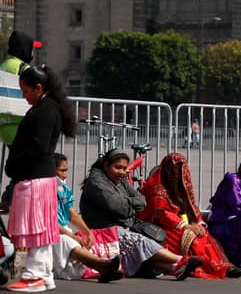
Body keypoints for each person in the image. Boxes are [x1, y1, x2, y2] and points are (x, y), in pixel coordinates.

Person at [5, 64, 90, 292]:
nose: (24, 96)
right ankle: (43, 274)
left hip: (35, 178)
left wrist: (16, 162)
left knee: (35, 228)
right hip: (38, 178)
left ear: (39, 87)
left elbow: (38, 147)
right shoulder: (48, 107)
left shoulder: (45, 110)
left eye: (25, 91)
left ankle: (35, 276)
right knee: (39, 228)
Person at [80, 147, 201, 281]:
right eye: (117, 167)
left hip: (124, 227)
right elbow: (117, 206)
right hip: (104, 231)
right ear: (106, 166)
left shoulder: (120, 181)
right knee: (138, 241)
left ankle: (175, 268)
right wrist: (130, 205)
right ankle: (181, 260)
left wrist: (126, 204)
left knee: (143, 244)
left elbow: (142, 201)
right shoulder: (96, 182)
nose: (122, 172)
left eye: (124, 168)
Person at [139, 152, 240, 278]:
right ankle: (206, 267)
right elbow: (163, 215)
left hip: (179, 225)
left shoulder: (179, 187)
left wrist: (198, 222)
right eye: (175, 170)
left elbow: (191, 206)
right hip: (160, 227)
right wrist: (186, 226)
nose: (178, 174)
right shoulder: (157, 190)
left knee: (203, 234)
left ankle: (223, 267)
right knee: (192, 237)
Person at [47, 153, 125, 283]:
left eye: (66, 170)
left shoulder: (63, 189)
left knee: (79, 240)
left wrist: (87, 233)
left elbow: (71, 213)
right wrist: (73, 236)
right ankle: (105, 265)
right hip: (50, 233)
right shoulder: (45, 190)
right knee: (64, 240)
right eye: (62, 171)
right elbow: (50, 222)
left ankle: (104, 268)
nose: (65, 175)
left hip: (63, 230)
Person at [0, 32, 40, 147]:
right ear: (24, 48)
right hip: (20, 125)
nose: (32, 53)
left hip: (4, 125)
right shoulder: (24, 68)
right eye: (31, 49)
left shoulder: (3, 65)